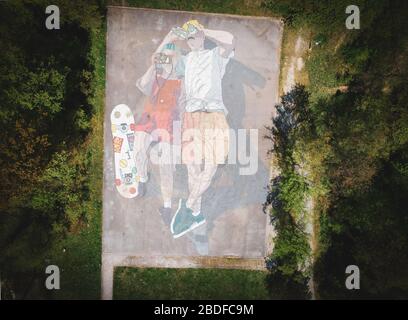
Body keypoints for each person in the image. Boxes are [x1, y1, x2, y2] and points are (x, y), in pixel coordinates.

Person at [170, 20, 235, 238]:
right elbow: (168, 70)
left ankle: (188, 208)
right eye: (187, 37)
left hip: (213, 115)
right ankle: (196, 213)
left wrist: (203, 31)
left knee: (210, 167)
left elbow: (230, 40)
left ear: (201, 37)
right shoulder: (185, 60)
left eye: (194, 36)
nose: (190, 41)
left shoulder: (216, 55)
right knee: (192, 168)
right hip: (191, 116)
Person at [134, 33, 184, 225]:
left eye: (172, 59)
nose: (168, 62)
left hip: (169, 124)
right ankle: (143, 177)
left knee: (166, 166)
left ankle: (167, 205)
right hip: (150, 119)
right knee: (139, 148)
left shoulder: (181, 78)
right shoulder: (155, 74)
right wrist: (169, 38)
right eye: (166, 58)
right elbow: (155, 57)